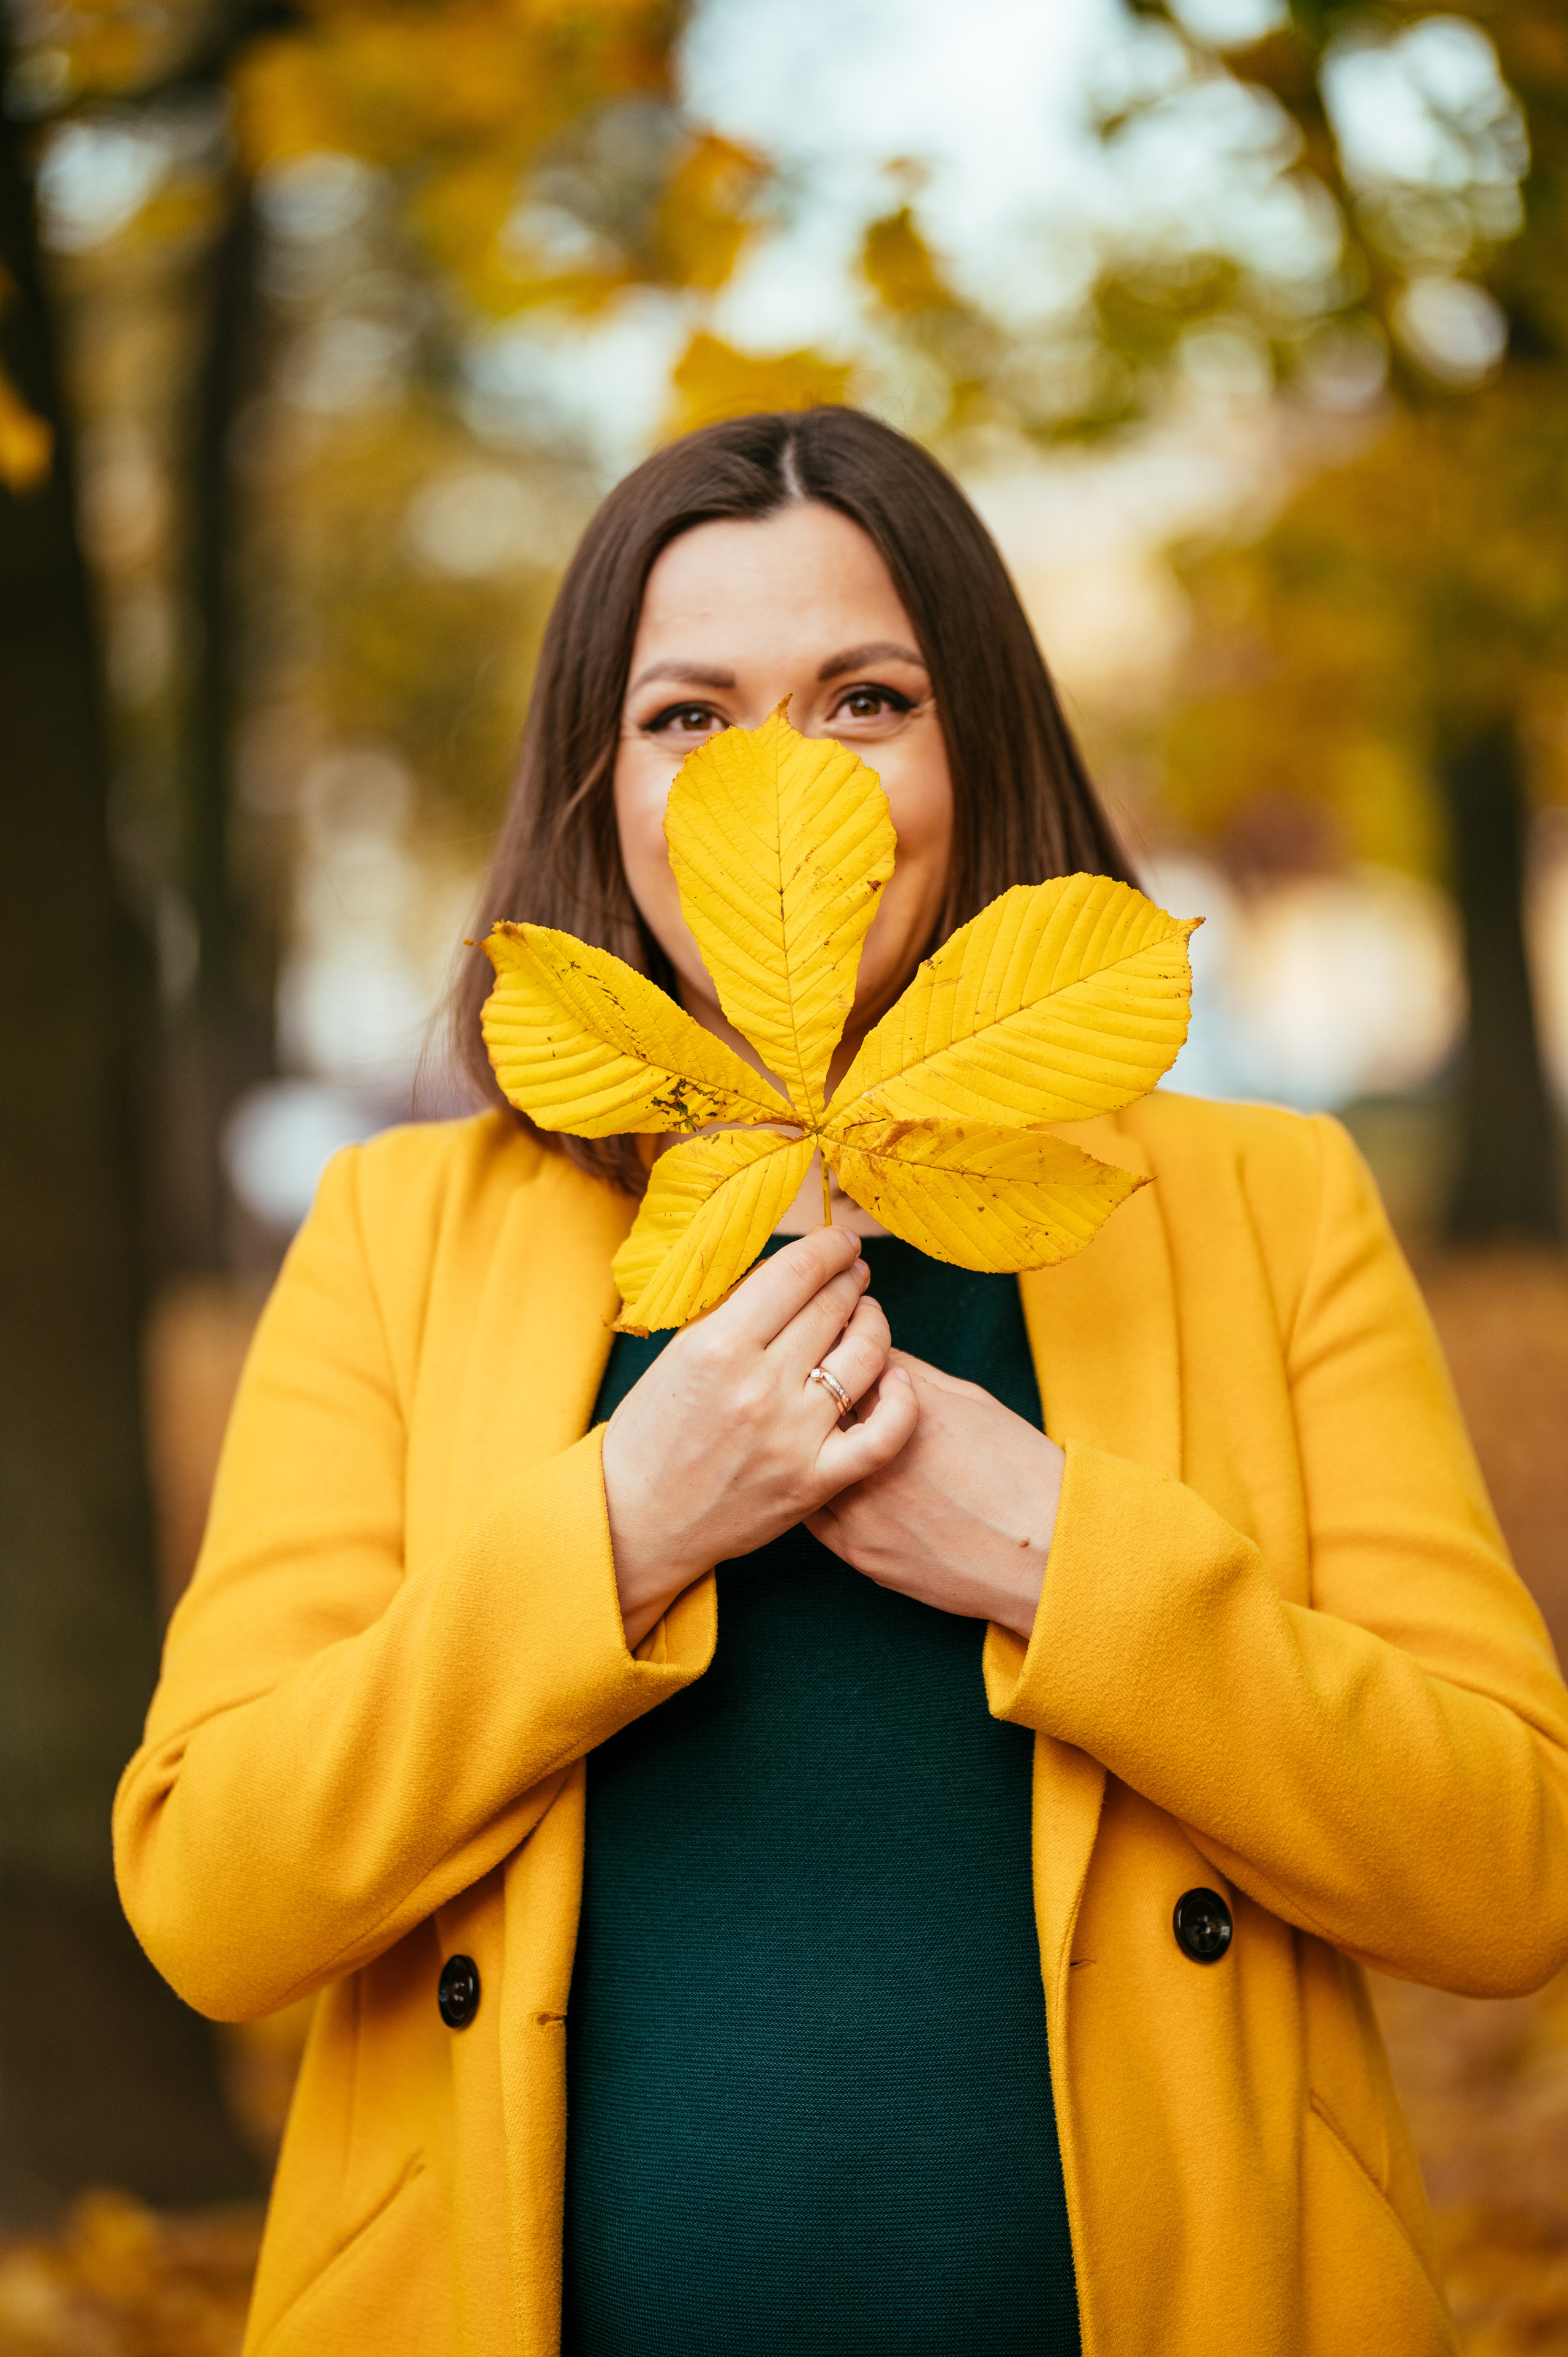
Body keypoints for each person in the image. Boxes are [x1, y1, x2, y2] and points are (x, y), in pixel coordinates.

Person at [116, 407, 1568, 2357]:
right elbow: (218, 1899)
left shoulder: (1264, 1207)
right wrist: (624, 1531)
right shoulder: (402, 1233)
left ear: (982, 752)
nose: (776, 787)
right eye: (690, 717)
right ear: (596, 783)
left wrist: (1056, 1554)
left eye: (866, 698)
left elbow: (1507, 1874)